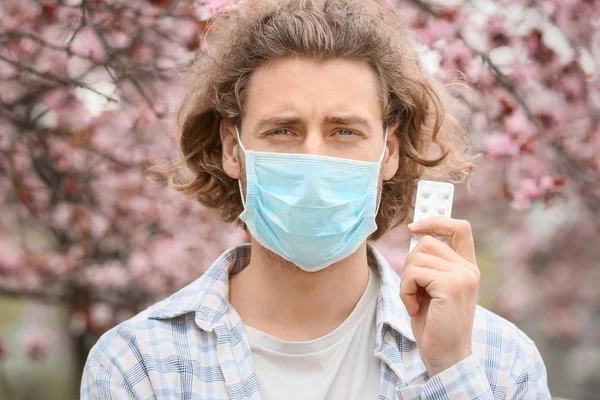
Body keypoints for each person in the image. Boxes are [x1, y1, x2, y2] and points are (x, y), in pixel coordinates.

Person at [81, 0, 551, 398]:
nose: (313, 158)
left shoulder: (497, 361)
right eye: (282, 130)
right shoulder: (138, 364)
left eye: (344, 131)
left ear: (387, 152)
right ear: (231, 149)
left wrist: (450, 370)